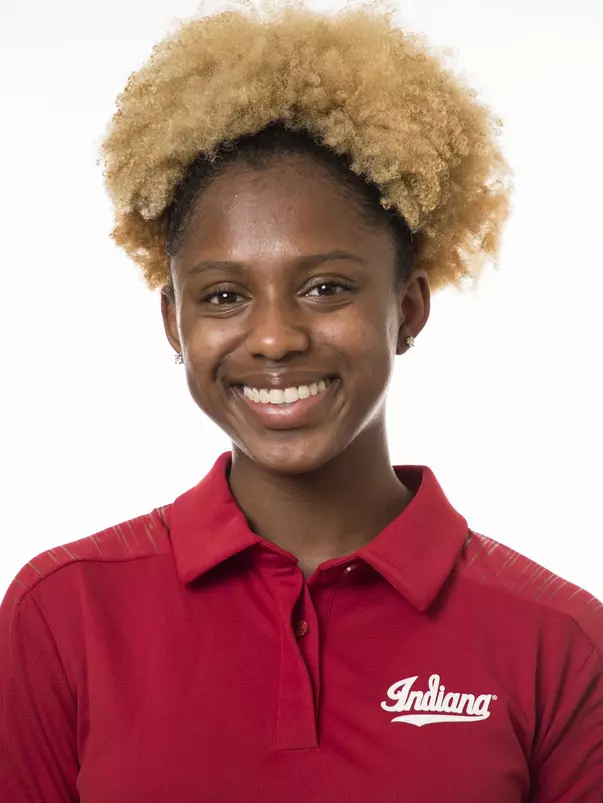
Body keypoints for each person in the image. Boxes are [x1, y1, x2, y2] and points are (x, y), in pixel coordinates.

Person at [1, 0, 601, 800]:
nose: (275, 338)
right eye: (221, 295)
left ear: (408, 308)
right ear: (174, 324)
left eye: (325, 287)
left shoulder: (556, 638)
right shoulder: (64, 611)